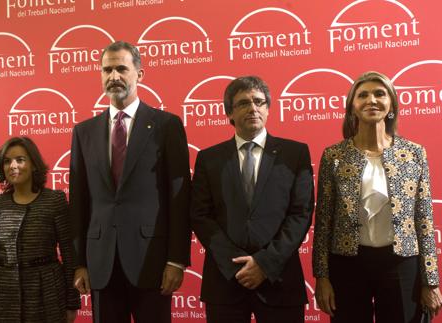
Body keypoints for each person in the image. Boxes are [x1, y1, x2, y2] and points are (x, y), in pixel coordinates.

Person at [69, 40, 191, 323]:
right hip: (101, 264)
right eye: (107, 70)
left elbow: (179, 198)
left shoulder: (166, 126)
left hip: (153, 262)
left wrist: (176, 260)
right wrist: (79, 263)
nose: (113, 77)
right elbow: (79, 202)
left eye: (121, 69)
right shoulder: (83, 132)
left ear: (140, 73)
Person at [313, 71, 442, 322]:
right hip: (347, 264)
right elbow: (323, 222)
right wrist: (322, 277)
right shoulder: (334, 156)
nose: (371, 100)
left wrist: (431, 281)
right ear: (352, 106)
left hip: (402, 263)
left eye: (379, 94)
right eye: (363, 95)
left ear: (392, 104)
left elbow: (424, 221)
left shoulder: (414, 154)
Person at [190, 76, 314, 323]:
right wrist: (235, 265)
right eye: (243, 103)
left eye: (259, 102)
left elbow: (301, 214)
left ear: (268, 109)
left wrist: (265, 263)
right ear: (230, 113)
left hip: (279, 280)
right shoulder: (209, 158)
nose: (253, 108)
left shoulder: (295, 153)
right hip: (226, 282)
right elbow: (200, 215)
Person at [0, 136, 80, 322]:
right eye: (7, 161)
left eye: (20, 159)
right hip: (4, 295)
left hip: (46, 294)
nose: (13, 165)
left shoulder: (54, 200)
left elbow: (69, 254)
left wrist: (72, 302)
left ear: (34, 165)